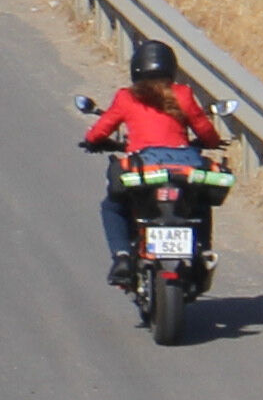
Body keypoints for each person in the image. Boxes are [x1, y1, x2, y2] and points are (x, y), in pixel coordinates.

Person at [77, 35, 222, 287]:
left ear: (136, 68)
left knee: (113, 206)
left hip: (146, 166)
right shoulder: (183, 94)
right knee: (199, 202)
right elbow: (206, 132)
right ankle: (202, 249)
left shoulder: (127, 97)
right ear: (171, 68)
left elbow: (99, 131)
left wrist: (91, 141)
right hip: (184, 165)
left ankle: (122, 255)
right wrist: (211, 142)